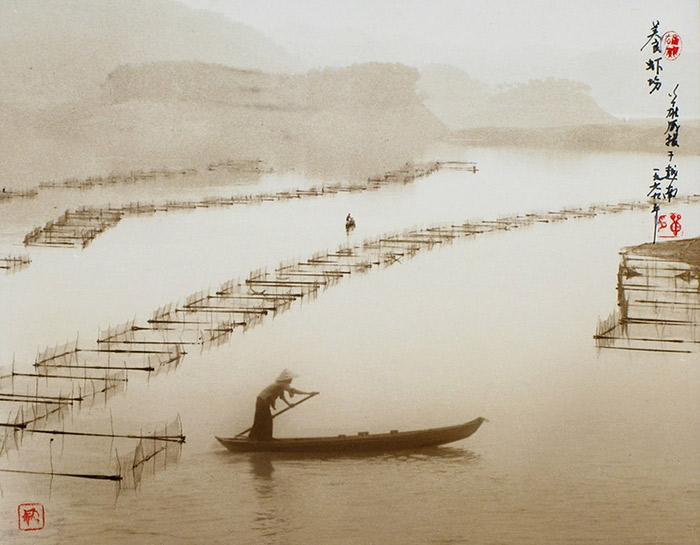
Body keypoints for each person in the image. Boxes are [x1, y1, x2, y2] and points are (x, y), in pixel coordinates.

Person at [248, 369, 317, 441]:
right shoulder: (282, 384)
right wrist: (308, 393)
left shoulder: (280, 385)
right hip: (262, 401)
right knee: (262, 419)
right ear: (286, 378)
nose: (291, 380)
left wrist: (289, 404)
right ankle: (255, 437)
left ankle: (265, 437)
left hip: (263, 401)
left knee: (266, 419)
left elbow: (282, 397)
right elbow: (293, 390)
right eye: (290, 378)